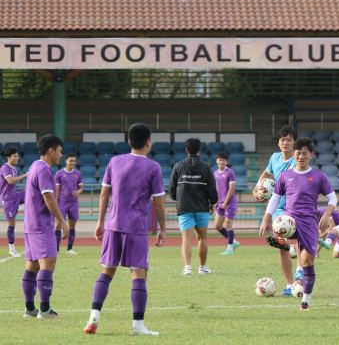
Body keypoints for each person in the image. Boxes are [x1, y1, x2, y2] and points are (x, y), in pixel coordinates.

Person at [84, 123, 166, 336]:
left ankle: (94, 315)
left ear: (129, 141)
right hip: (136, 227)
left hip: (113, 225)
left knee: (106, 271)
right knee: (139, 273)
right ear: (148, 142)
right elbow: (158, 202)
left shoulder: (114, 161)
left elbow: (104, 195)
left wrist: (100, 222)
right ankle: (138, 326)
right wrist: (162, 228)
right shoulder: (153, 167)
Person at [259, 138, 337, 311]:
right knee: (282, 227)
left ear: (311, 155)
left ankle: (305, 302)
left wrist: (327, 215)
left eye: (304, 153)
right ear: (293, 154)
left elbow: (333, 198)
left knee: (307, 261)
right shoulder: (286, 176)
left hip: (309, 223)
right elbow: (275, 198)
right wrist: (266, 218)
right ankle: (284, 243)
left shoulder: (318, 176)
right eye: (298, 152)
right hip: (289, 219)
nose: (301, 156)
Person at [21, 135, 68, 319]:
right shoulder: (45, 170)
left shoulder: (34, 165)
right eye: (59, 151)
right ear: (51, 150)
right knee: (48, 263)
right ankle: (45, 309)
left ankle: (29, 308)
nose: (61, 155)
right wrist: (62, 222)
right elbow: (49, 198)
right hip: (41, 225)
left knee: (32, 265)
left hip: (30, 224)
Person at [253, 125, 302, 296]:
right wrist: (257, 189)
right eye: (283, 139)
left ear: (294, 142)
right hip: (278, 207)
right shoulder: (274, 158)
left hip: (295, 205)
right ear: (278, 142)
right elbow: (266, 174)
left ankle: (299, 265)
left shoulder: (297, 159)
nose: (286, 142)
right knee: (282, 247)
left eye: (289, 139)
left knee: (294, 240)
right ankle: (290, 285)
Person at [169, 138, 218, 275]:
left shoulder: (178, 166)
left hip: (184, 207)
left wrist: (176, 199)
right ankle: (202, 268)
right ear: (199, 150)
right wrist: (212, 202)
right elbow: (212, 189)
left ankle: (187, 268)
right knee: (202, 237)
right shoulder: (206, 167)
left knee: (186, 239)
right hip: (202, 207)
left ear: (186, 149)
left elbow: (172, 188)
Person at [0, 147, 27, 257]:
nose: (17, 158)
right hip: (7, 199)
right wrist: (25, 175)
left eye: (17, 156)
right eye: (14, 156)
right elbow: (10, 181)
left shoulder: (15, 169)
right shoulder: (5, 167)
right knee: (12, 223)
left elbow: (17, 180)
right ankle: (11, 248)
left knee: (32, 193)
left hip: (15, 195)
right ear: (8, 157)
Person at [55, 153, 83, 254]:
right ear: (66, 161)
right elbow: (57, 189)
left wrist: (78, 192)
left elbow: (81, 188)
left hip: (74, 203)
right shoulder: (59, 173)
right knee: (58, 225)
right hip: (62, 203)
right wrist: (56, 202)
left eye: (74, 161)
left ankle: (69, 249)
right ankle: (56, 249)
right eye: (70, 160)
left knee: (72, 225)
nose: (72, 163)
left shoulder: (78, 174)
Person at [213, 152, 240, 255]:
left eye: (223, 160)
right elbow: (216, 188)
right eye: (220, 160)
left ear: (226, 162)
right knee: (217, 226)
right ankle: (233, 242)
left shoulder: (230, 172)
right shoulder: (215, 173)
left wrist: (225, 203)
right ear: (217, 161)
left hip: (229, 203)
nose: (221, 162)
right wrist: (215, 201)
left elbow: (232, 188)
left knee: (228, 224)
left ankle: (230, 248)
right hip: (220, 203)